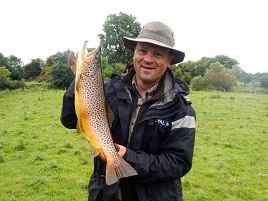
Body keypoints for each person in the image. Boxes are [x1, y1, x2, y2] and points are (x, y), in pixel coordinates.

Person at [60, 21, 196, 201]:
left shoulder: (181, 109)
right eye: (142, 51)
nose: (148, 59)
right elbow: (70, 121)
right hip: (106, 194)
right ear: (134, 53)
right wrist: (79, 79)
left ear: (169, 60)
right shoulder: (107, 90)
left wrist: (128, 157)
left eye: (157, 54)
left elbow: (177, 163)